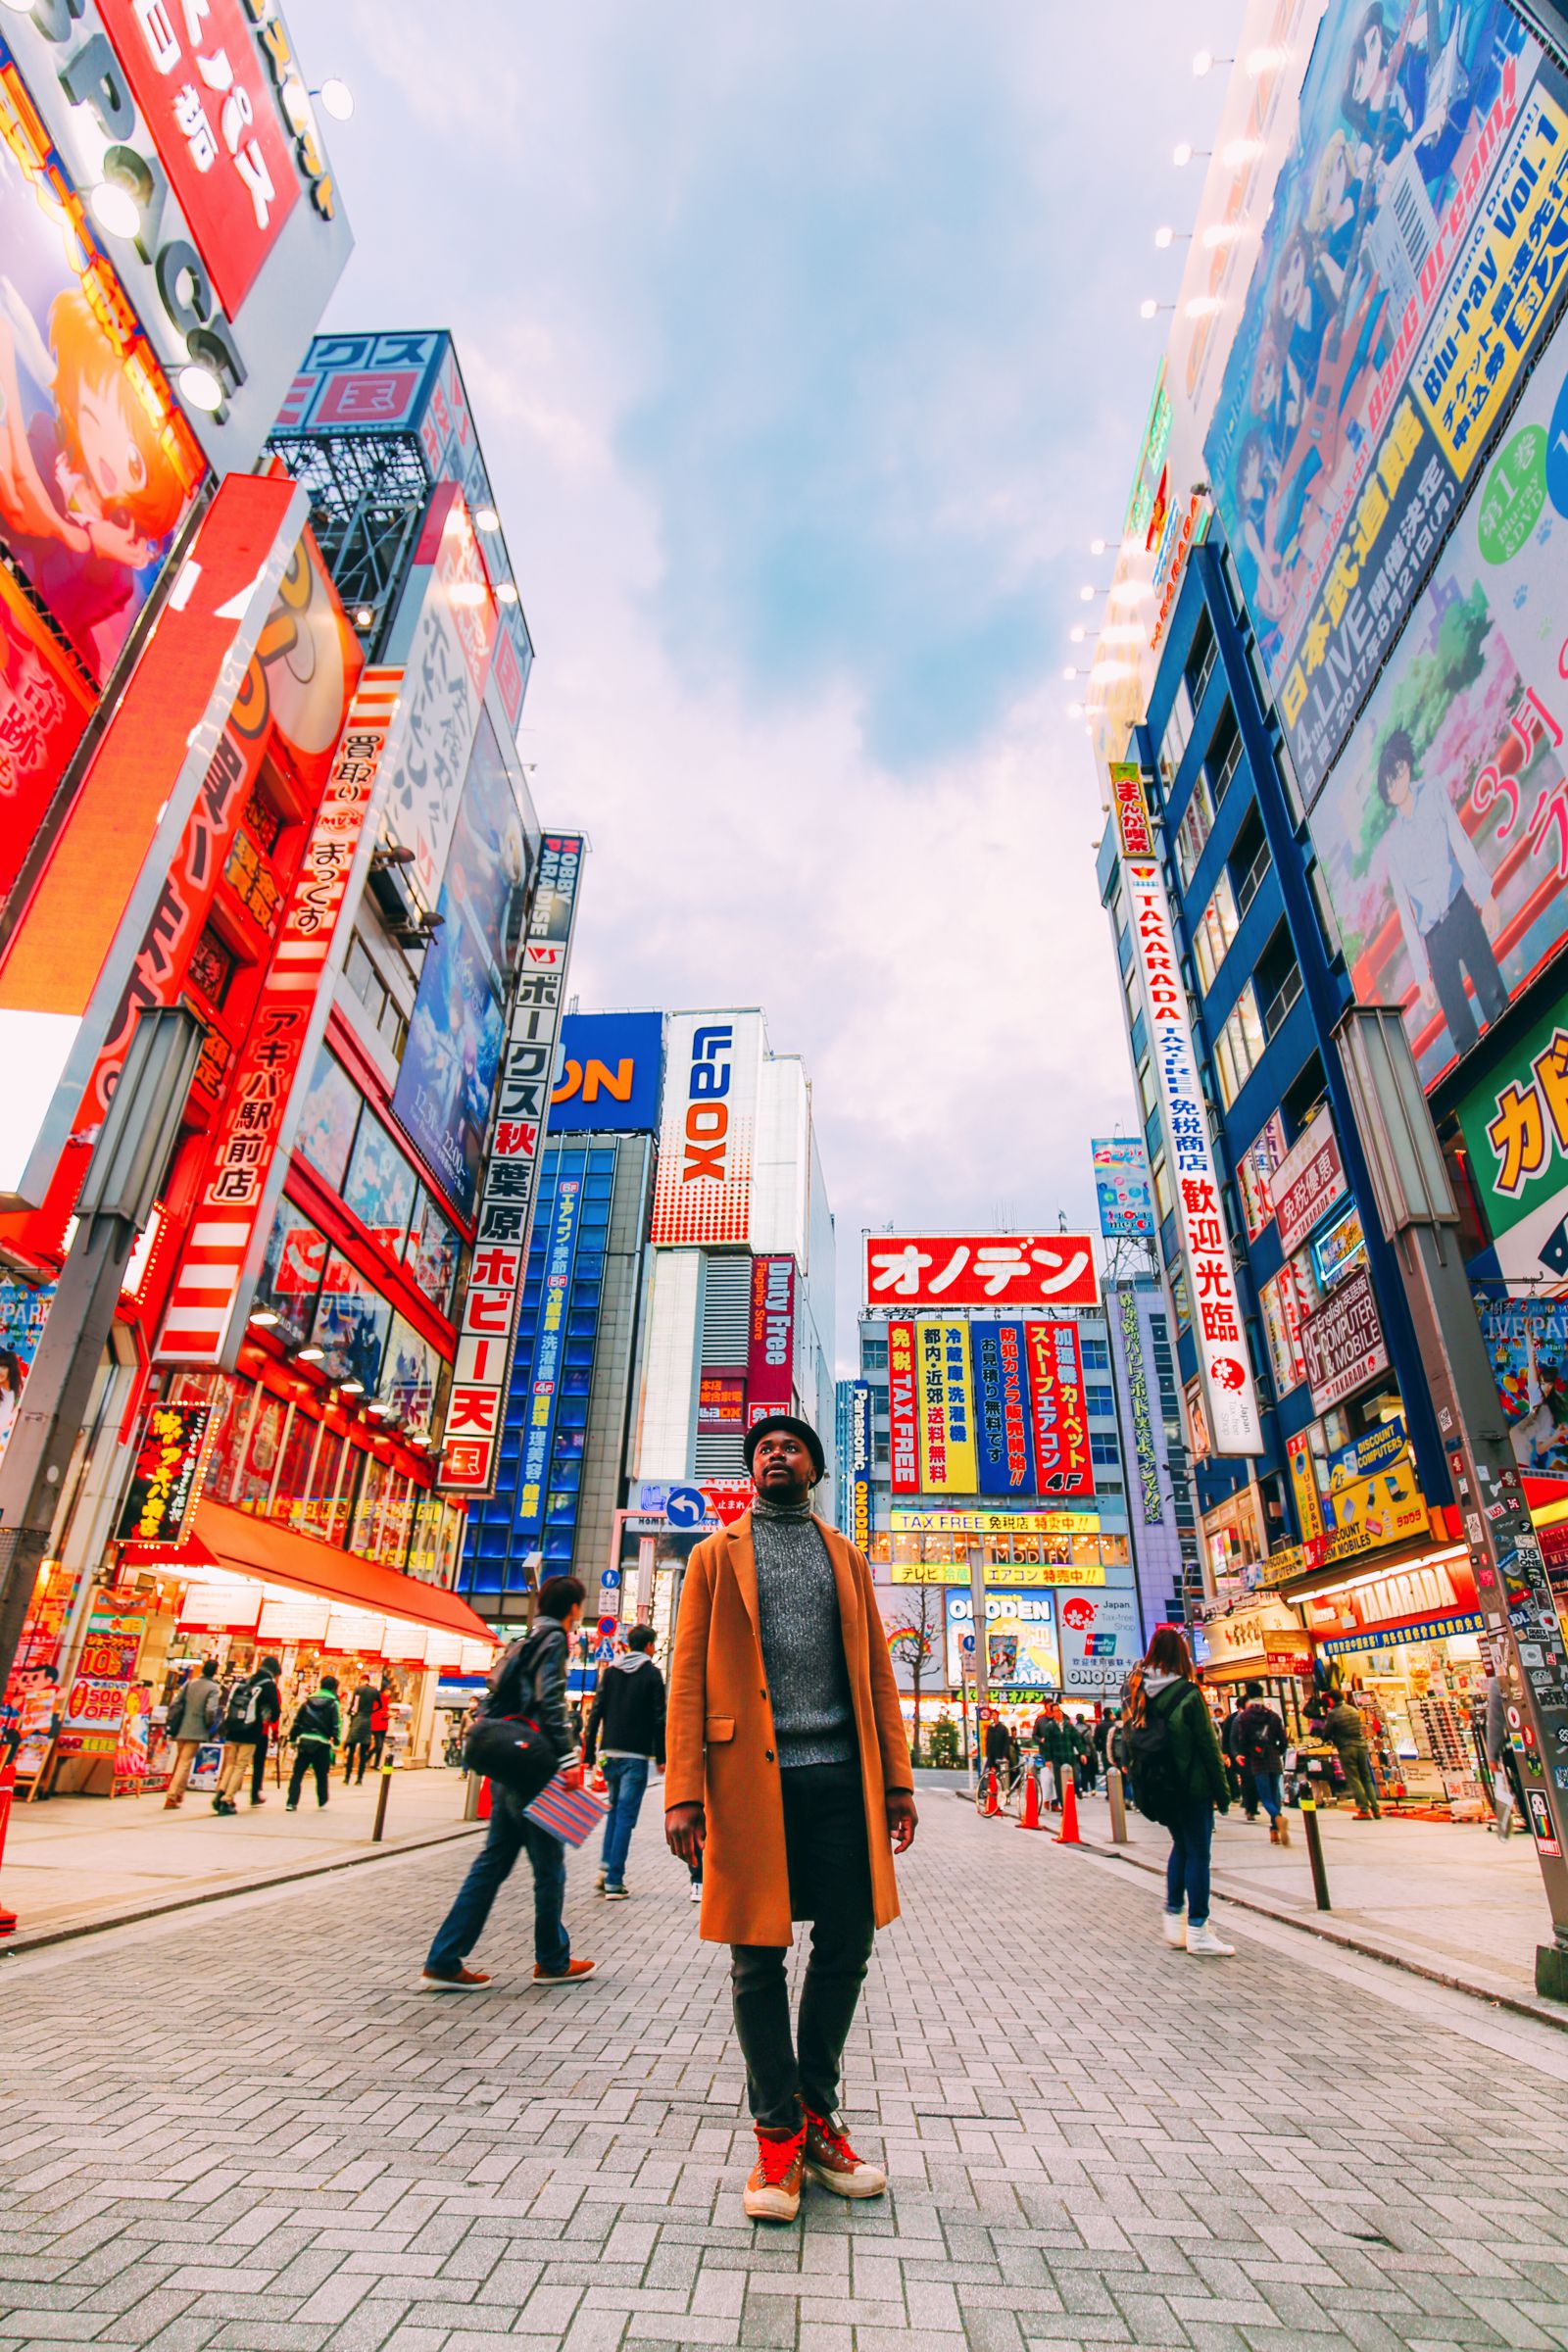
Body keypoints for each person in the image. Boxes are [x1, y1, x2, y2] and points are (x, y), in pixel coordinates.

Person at [664, 1413, 915, 2225]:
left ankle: (816, 2113)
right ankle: (777, 2133)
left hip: (842, 1776)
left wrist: (899, 1782)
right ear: (752, 1469)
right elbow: (689, 1677)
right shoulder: (711, 1556)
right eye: (764, 1447)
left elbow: (878, 1672)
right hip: (747, 1781)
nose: (778, 1453)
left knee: (849, 1940)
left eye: (792, 1446)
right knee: (755, 1955)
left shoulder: (845, 1555)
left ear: (815, 1468)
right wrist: (683, 1792)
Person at [421, 1577, 595, 1991]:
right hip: (533, 1767)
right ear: (573, 1607)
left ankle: (445, 1958)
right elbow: (551, 1701)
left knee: (492, 1864)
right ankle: (552, 1960)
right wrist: (570, 1759)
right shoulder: (555, 1639)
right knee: (549, 1868)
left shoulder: (525, 1637)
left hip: (507, 1764)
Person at [1373, 727, 1507, 1059]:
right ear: (1385, 793)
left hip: (1460, 907)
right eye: (1389, 783)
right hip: (1434, 936)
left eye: (1399, 772)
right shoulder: (1393, 846)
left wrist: (1485, 896)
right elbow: (1405, 913)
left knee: (1496, 999)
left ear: (1407, 765)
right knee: (1462, 1032)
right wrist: (1422, 976)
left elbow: (1460, 842)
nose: (1396, 784)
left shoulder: (1433, 791)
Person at [1126, 1628, 1234, 1956]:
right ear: (1181, 1656)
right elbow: (1207, 1746)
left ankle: (1174, 1916)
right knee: (1198, 1854)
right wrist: (1223, 1792)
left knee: (1181, 1847)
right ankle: (1198, 1928)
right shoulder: (1188, 1693)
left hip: (1161, 1787)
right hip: (1193, 1786)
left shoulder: (1137, 1691)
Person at [585, 1623, 666, 1899]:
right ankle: (614, 1881)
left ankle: (605, 1868)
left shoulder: (611, 1673)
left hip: (609, 1755)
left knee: (614, 1810)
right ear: (648, 1646)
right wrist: (662, 1757)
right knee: (625, 1817)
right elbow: (658, 1717)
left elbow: (596, 1711)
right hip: (635, 1756)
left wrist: (587, 1754)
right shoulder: (652, 1675)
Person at [213, 1656, 281, 1815]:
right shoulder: (268, 1685)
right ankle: (227, 1799)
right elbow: (276, 1711)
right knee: (240, 1765)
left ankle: (221, 1792)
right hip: (251, 1730)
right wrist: (268, 1718)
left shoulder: (245, 1681)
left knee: (231, 1764)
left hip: (233, 1728)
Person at [1234, 1680, 1291, 1845]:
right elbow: (1283, 1740)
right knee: (1275, 1795)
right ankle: (1274, 1830)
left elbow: (1242, 1741)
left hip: (1258, 1761)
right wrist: (1278, 1751)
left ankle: (1277, 1818)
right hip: (1274, 1758)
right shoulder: (1273, 1715)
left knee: (1265, 1797)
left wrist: (1246, 1754)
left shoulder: (1244, 1717)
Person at [163, 1657, 220, 1808]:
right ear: (215, 1672)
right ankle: (172, 1795)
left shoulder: (190, 1683)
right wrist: (209, 1725)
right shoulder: (213, 1688)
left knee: (181, 1761)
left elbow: (175, 1703)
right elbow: (210, 1710)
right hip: (197, 1728)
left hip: (182, 1726)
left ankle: (179, 1794)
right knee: (185, 1762)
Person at [286, 1675, 343, 1811]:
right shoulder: (333, 1703)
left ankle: (291, 1802)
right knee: (321, 1773)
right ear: (334, 1688)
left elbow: (298, 1721)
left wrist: (293, 1739)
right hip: (322, 1743)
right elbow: (336, 1724)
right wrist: (336, 1741)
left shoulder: (307, 1701)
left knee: (298, 1773)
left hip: (305, 1740)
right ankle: (322, 1799)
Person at [1321, 1690, 1381, 1817]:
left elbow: (1326, 1733)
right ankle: (1376, 1808)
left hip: (1346, 1748)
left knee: (1354, 1779)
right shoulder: (1353, 1710)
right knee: (1366, 1778)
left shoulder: (1333, 1713)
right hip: (1361, 1746)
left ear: (1332, 1700)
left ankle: (1364, 1809)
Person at [1219, 1699, 1256, 1819]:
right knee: (1246, 1779)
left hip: (1251, 1754)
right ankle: (1247, 1804)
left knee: (1250, 1779)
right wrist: (1227, 1753)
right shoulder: (1233, 1719)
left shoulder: (1252, 1718)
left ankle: (1251, 1806)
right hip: (1238, 1754)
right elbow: (1228, 1738)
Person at [343, 1682, 376, 1785]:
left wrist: (351, 1714)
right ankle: (359, 1778)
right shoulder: (374, 1692)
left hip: (357, 1723)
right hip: (366, 1724)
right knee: (363, 1754)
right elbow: (378, 1705)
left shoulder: (358, 1691)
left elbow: (353, 1706)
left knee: (351, 1753)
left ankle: (347, 1777)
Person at [369, 1683, 392, 1769]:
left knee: (380, 1746)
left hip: (383, 1725)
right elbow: (375, 1712)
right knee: (378, 1745)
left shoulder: (387, 1699)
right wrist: (386, 1714)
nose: (389, 1692)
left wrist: (388, 1715)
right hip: (376, 1725)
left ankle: (376, 1764)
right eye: (387, 1690)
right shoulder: (379, 1699)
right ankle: (367, 1757)